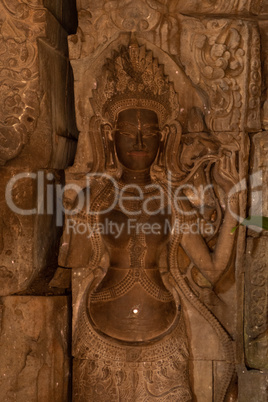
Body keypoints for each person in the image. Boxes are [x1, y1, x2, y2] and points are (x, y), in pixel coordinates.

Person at [59, 38, 239, 402]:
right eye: (128, 133)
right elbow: (72, 267)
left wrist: (234, 202)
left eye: (150, 133)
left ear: (164, 139)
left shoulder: (173, 202)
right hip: (97, 340)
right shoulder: (92, 200)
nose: (139, 140)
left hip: (166, 339)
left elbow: (215, 270)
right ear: (110, 138)